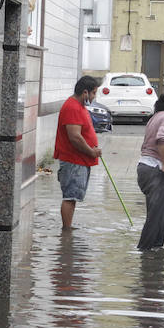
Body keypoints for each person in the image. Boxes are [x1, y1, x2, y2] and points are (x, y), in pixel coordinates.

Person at [54, 75, 103, 229]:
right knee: (70, 197)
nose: (95, 97)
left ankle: (68, 227)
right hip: (73, 161)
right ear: (85, 93)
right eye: (94, 93)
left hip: (79, 160)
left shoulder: (78, 106)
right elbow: (75, 137)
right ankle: (66, 230)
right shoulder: (73, 107)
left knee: (73, 196)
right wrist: (91, 151)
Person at [135, 90, 164, 250]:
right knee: (155, 218)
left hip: (145, 168)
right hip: (156, 170)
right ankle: (145, 253)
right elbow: (161, 138)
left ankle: (157, 251)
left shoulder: (154, 117)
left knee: (161, 215)